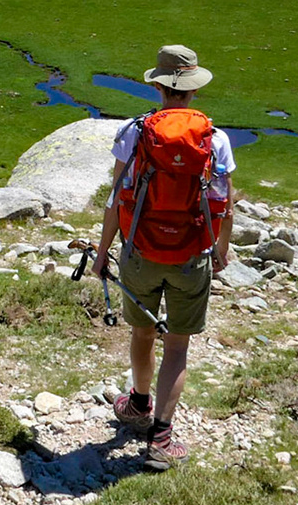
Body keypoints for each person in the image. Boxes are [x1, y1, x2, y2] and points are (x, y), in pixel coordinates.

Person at [93, 44, 235, 469]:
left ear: (158, 85)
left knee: (142, 333)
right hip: (191, 254)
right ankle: (161, 437)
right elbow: (224, 202)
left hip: (140, 251)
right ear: (192, 91)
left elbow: (116, 198)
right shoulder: (216, 139)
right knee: (177, 346)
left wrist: (102, 255)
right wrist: (220, 249)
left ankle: (137, 403)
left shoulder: (135, 133)